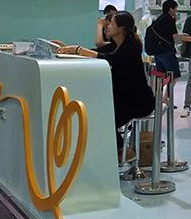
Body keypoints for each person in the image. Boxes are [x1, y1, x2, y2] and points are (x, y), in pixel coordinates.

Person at [55, 11, 155, 164]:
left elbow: (110, 59)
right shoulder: (116, 45)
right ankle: (119, 152)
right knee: (95, 115)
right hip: (123, 99)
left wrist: (78, 49)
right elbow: (96, 52)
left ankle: (123, 152)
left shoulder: (131, 47)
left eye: (111, 23)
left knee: (102, 119)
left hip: (138, 102)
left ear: (121, 28)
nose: (107, 26)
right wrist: (68, 48)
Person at [150, 0, 182, 91]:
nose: (176, 11)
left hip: (157, 51)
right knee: (174, 75)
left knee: (160, 75)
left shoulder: (158, 19)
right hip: (167, 51)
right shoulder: (169, 20)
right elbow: (175, 37)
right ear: (171, 9)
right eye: (175, 8)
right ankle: (166, 98)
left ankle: (155, 96)